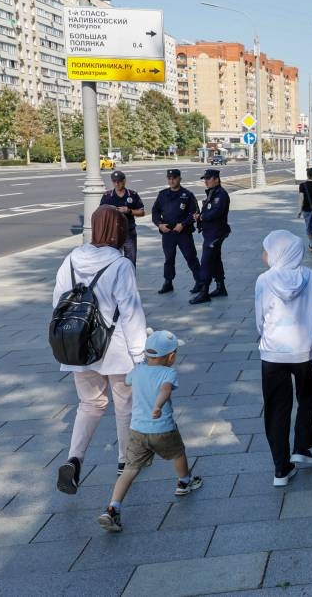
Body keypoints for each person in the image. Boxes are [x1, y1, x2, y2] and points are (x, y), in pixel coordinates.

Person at [53, 205, 147, 494]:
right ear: (118, 230)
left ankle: (74, 459)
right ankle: (123, 462)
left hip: (79, 347)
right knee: (124, 406)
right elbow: (131, 313)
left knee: (89, 404)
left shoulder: (70, 260)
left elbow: (58, 302)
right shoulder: (120, 265)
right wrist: (140, 356)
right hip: (115, 349)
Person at [97, 329, 203, 533]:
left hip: (137, 431)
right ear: (171, 357)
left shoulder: (137, 371)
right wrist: (157, 406)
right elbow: (165, 389)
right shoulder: (168, 373)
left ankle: (112, 508)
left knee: (130, 469)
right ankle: (184, 482)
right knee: (178, 453)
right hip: (162, 429)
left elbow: (127, 380)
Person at [255, 230, 312, 487]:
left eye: (267, 249)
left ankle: (281, 469)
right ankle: (300, 445)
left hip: (273, 353)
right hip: (303, 351)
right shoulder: (309, 277)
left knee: (276, 408)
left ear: (278, 253)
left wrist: (265, 338)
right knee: (308, 398)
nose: (264, 254)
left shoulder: (263, 280)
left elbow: (260, 318)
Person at [151, 169, 201, 295]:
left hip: (183, 232)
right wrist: (159, 224)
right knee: (169, 259)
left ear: (180, 179)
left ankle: (200, 282)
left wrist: (183, 224)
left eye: (174, 178)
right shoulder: (162, 194)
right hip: (168, 232)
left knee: (190, 257)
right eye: (169, 178)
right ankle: (168, 282)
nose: (171, 180)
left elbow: (195, 213)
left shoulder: (187, 194)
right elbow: (155, 212)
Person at [190, 168, 231, 304]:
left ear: (216, 179)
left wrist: (201, 216)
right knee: (215, 259)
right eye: (205, 179)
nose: (206, 181)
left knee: (206, 262)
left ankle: (204, 291)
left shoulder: (220, 194)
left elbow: (215, 212)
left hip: (216, 233)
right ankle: (221, 287)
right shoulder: (213, 193)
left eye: (208, 179)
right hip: (211, 232)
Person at [99, 170, 145, 266]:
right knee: (113, 261)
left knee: (130, 261)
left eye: (119, 181)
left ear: (124, 181)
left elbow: (142, 212)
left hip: (129, 233)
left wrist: (129, 211)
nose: (117, 183)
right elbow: (100, 214)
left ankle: (130, 280)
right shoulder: (107, 196)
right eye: (114, 181)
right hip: (113, 234)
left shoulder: (132, 195)